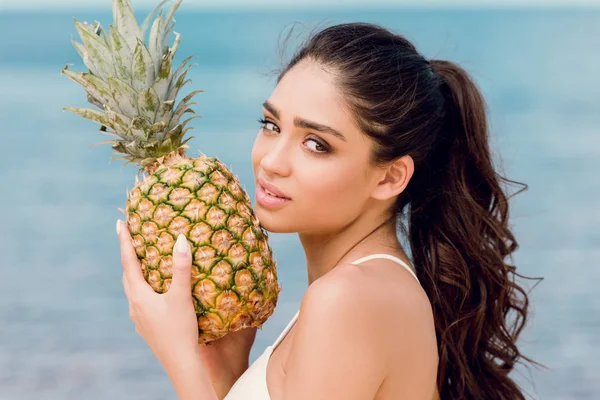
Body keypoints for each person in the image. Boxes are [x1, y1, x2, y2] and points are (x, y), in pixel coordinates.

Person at [117, 22, 535, 400]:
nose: (272, 162)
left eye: (317, 144)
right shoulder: (363, 291)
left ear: (390, 177)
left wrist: (178, 357)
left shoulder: (348, 299)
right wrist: (226, 368)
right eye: (271, 125)